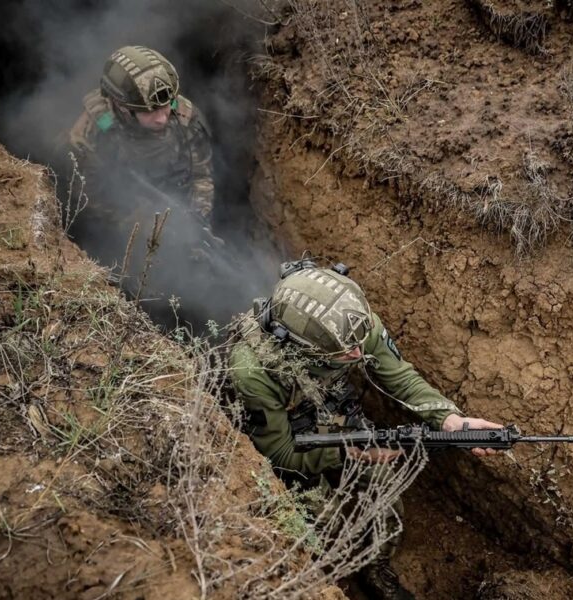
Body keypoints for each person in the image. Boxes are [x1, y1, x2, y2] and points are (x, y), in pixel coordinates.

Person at [228, 259, 501, 600]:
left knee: (384, 489)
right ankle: (332, 581)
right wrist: (346, 450)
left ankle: (376, 567)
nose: (359, 351)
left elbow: (398, 376)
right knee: (319, 523)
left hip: (334, 414)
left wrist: (450, 419)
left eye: (360, 342)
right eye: (347, 352)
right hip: (291, 441)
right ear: (303, 348)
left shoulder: (352, 324)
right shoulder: (252, 370)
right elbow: (278, 453)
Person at [67, 45, 214, 219]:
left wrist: (197, 219)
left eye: (165, 106)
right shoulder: (92, 132)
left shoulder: (185, 117)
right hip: (119, 215)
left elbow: (201, 176)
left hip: (176, 207)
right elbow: (87, 196)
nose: (162, 119)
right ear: (122, 107)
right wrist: (132, 221)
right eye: (149, 111)